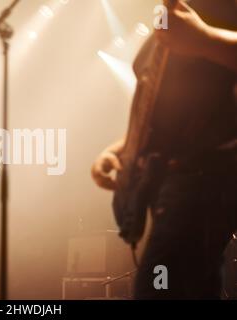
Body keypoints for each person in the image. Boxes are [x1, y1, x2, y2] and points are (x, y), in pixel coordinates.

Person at [91, 0, 237, 299]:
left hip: (207, 175)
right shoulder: (168, 19)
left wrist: (205, 39)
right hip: (170, 181)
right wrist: (121, 152)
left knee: (157, 289)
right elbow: (163, 115)